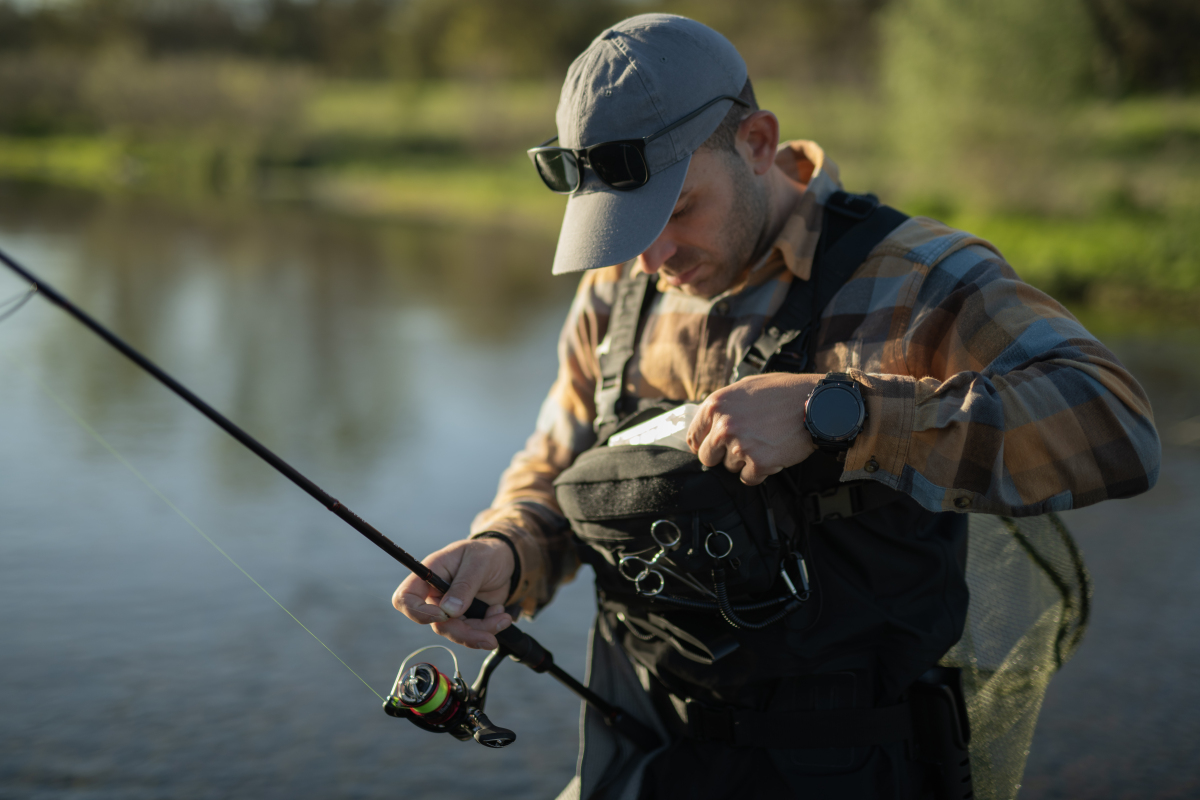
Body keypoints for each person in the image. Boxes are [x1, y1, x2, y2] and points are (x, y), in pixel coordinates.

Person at [393, 13, 1160, 800]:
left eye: (675, 209)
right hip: (648, 755)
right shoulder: (616, 291)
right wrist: (507, 552)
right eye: (622, 227)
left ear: (758, 143)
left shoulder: (919, 278)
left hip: (860, 768)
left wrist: (844, 415)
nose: (648, 256)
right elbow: (557, 466)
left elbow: (1119, 425)